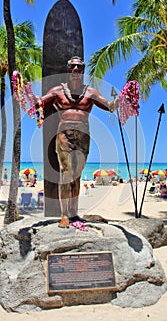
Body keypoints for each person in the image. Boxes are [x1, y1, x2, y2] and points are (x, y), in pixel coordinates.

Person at [39, 56, 119, 228]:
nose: (76, 70)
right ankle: (64, 215)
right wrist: (24, 94)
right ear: (68, 70)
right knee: (66, 173)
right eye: (73, 67)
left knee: (77, 175)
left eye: (79, 68)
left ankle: (74, 213)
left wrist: (123, 98)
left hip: (83, 135)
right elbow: (39, 102)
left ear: (83, 70)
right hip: (64, 134)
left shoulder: (90, 92)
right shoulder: (57, 91)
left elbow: (110, 106)